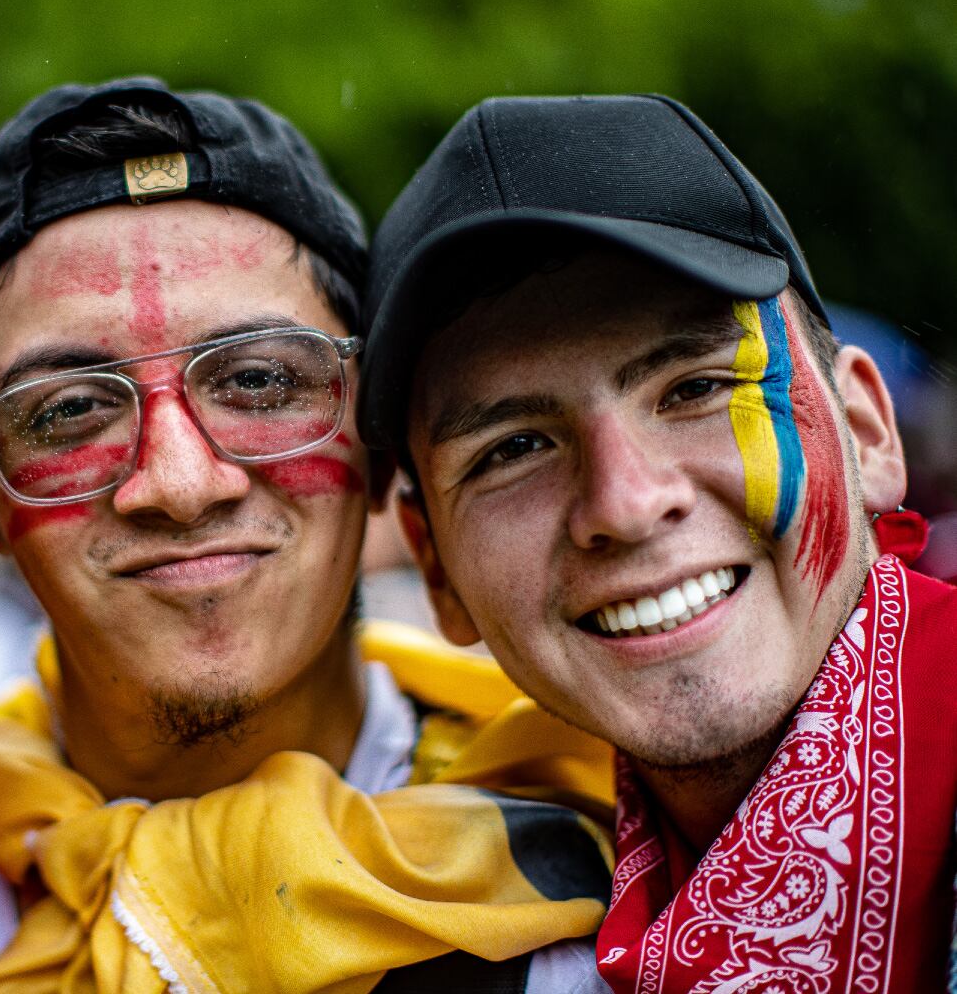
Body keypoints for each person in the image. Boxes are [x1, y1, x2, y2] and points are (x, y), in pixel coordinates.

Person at [0, 77, 620, 993]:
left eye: (259, 382)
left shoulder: (633, 883)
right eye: (71, 410)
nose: (181, 485)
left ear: (378, 437)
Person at [357, 93, 957, 992]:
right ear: (435, 568)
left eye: (696, 388)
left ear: (868, 432)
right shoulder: (455, 905)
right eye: (513, 449)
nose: (626, 504)